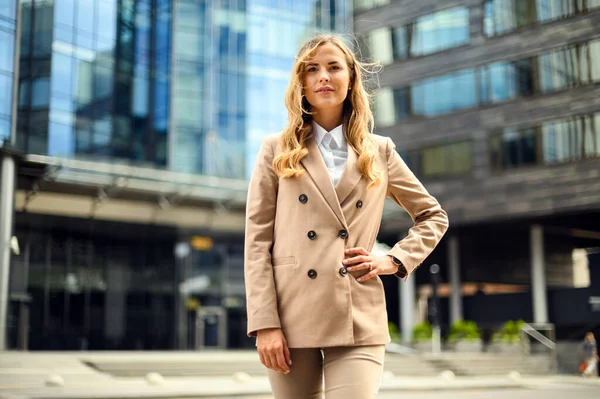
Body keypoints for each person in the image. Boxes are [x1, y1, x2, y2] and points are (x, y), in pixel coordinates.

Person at [244, 34, 449, 399]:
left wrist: (393, 260)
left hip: (357, 311)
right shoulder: (276, 149)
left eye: (334, 67)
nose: (323, 76)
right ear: (301, 84)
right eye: (312, 69)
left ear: (351, 78)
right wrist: (264, 324)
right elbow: (257, 243)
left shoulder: (379, 150)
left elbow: (433, 216)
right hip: (291, 314)